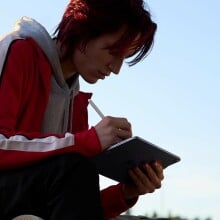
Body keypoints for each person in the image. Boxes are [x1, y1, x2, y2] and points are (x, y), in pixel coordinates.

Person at [0, 0, 164, 219]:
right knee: (76, 166)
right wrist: (86, 142)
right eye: (112, 52)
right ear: (82, 30)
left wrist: (125, 193)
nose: (115, 69)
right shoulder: (17, 50)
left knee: (78, 169)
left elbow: (74, 205)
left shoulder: (76, 102)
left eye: (123, 59)